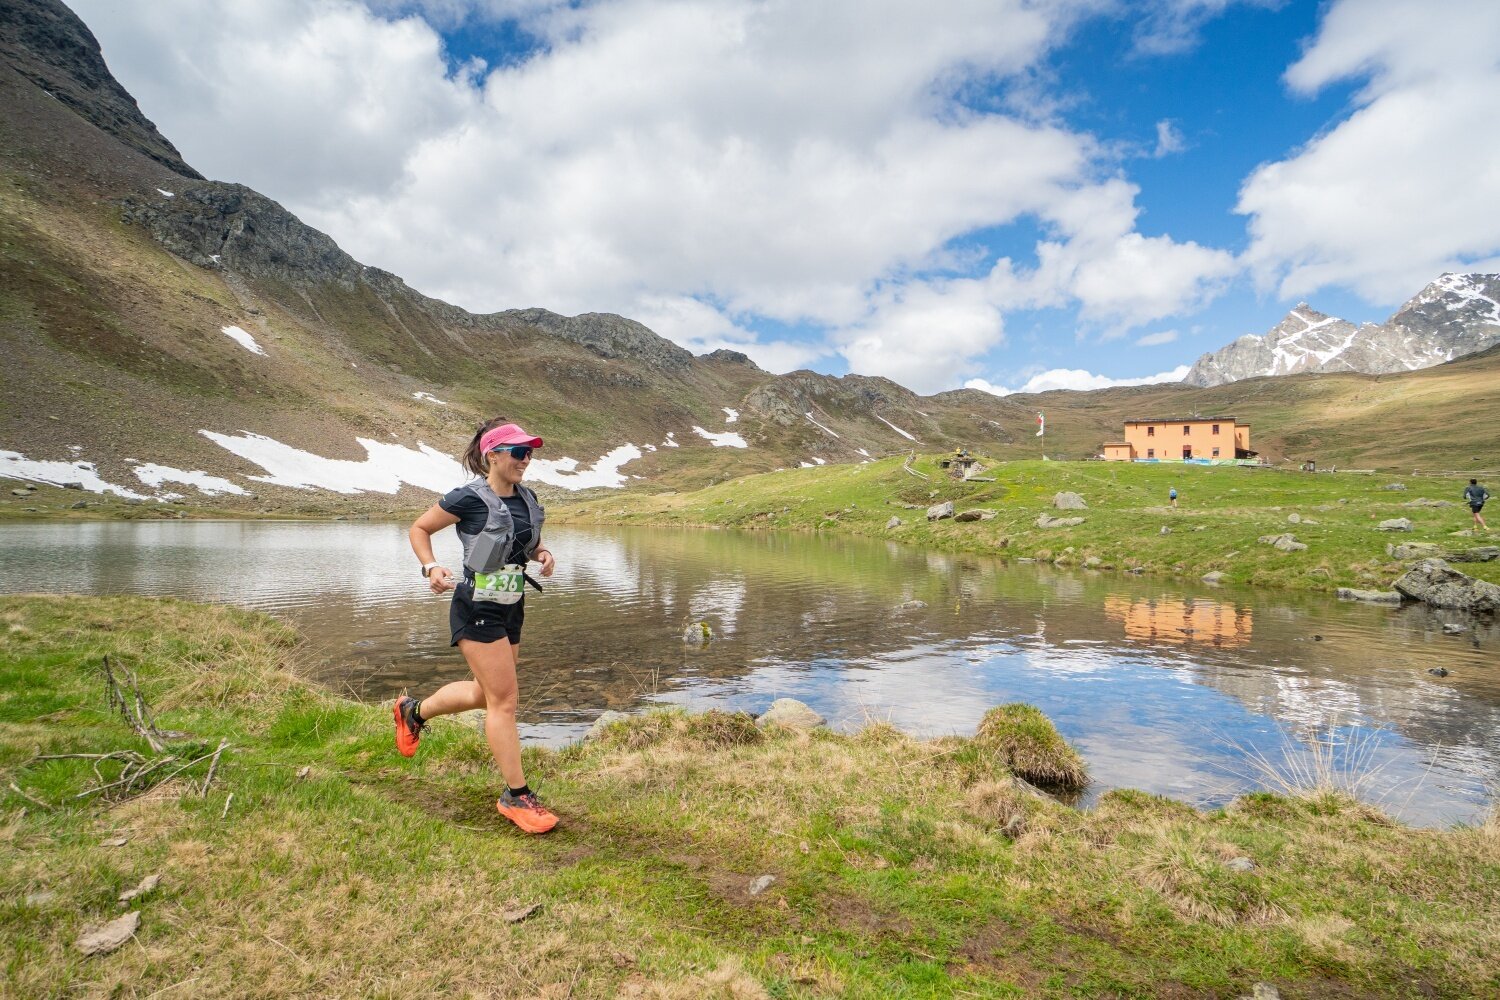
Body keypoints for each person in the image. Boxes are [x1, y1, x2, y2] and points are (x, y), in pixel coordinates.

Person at [395, 419, 560, 834]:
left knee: (487, 695)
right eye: (520, 452)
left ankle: (413, 712)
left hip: (512, 605)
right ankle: (516, 795)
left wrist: (543, 553)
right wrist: (430, 566)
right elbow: (419, 528)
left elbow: (528, 540)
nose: (527, 459)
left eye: (530, 452)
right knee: (504, 701)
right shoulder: (468, 499)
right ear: (493, 454)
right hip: (476, 607)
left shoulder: (528, 497)